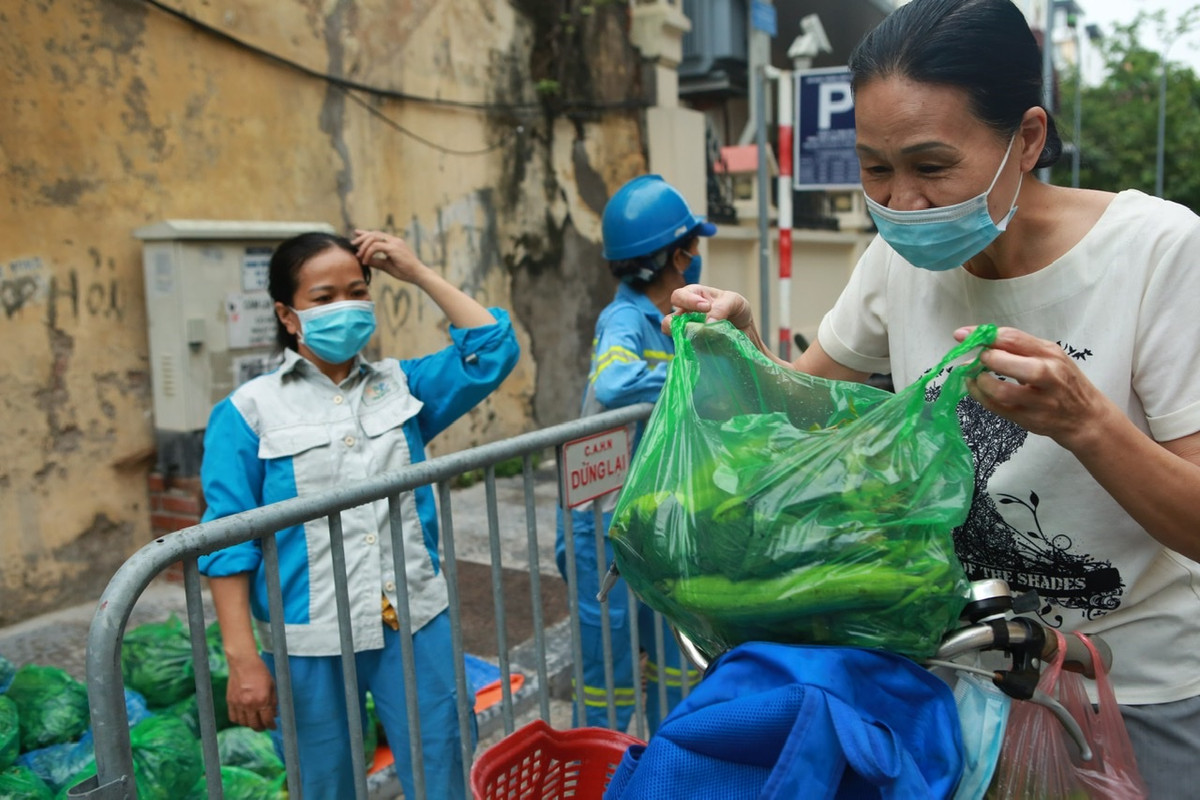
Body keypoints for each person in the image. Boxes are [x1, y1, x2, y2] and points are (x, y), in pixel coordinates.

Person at [666, 0, 1200, 794]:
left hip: (1135, 688)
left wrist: (1086, 423)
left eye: (931, 165)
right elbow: (804, 413)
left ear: (1025, 139)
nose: (902, 201)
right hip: (962, 678)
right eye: (876, 168)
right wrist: (742, 348)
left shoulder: (1158, 254)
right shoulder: (894, 264)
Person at [198, 229, 519, 799]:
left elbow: (492, 348)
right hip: (308, 639)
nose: (343, 307)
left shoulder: (404, 386)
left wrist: (417, 272)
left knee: (443, 770)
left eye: (356, 292)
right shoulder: (247, 413)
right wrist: (243, 660)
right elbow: (227, 544)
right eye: (323, 298)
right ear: (287, 314)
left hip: (415, 620)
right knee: (324, 786)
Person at [556, 174, 712, 733]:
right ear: (675, 255)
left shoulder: (672, 318)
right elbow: (619, 382)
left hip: (649, 510)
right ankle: (604, 768)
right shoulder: (623, 320)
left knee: (675, 645)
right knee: (609, 659)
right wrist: (693, 370)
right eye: (692, 247)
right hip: (601, 519)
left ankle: (672, 759)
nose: (696, 257)